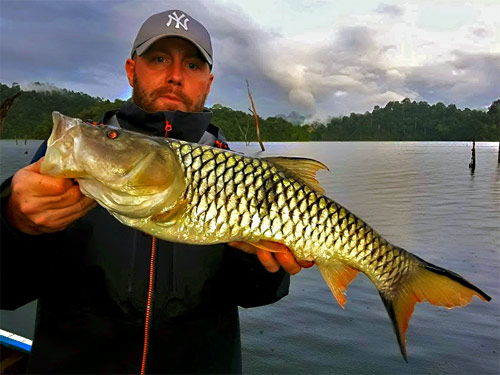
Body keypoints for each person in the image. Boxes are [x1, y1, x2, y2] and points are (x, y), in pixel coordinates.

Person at [0, 9, 312, 374]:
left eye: (193, 65)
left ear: (208, 83)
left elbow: (257, 295)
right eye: (159, 58)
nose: (176, 76)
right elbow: (9, 291)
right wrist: (13, 221)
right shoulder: (79, 152)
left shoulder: (234, 171)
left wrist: (263, 261)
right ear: (132, 69)